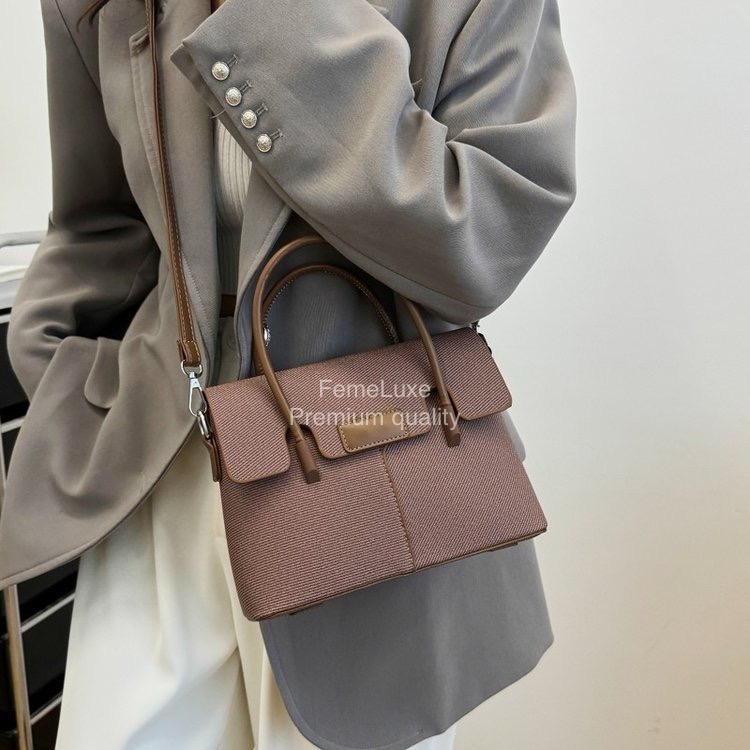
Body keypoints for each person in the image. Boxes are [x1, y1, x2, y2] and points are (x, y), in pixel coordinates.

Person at [0, 0, 577, 747]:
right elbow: (98, 229)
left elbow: (486, 233)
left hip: (367, 472)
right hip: (159, 475)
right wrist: (58, 374)